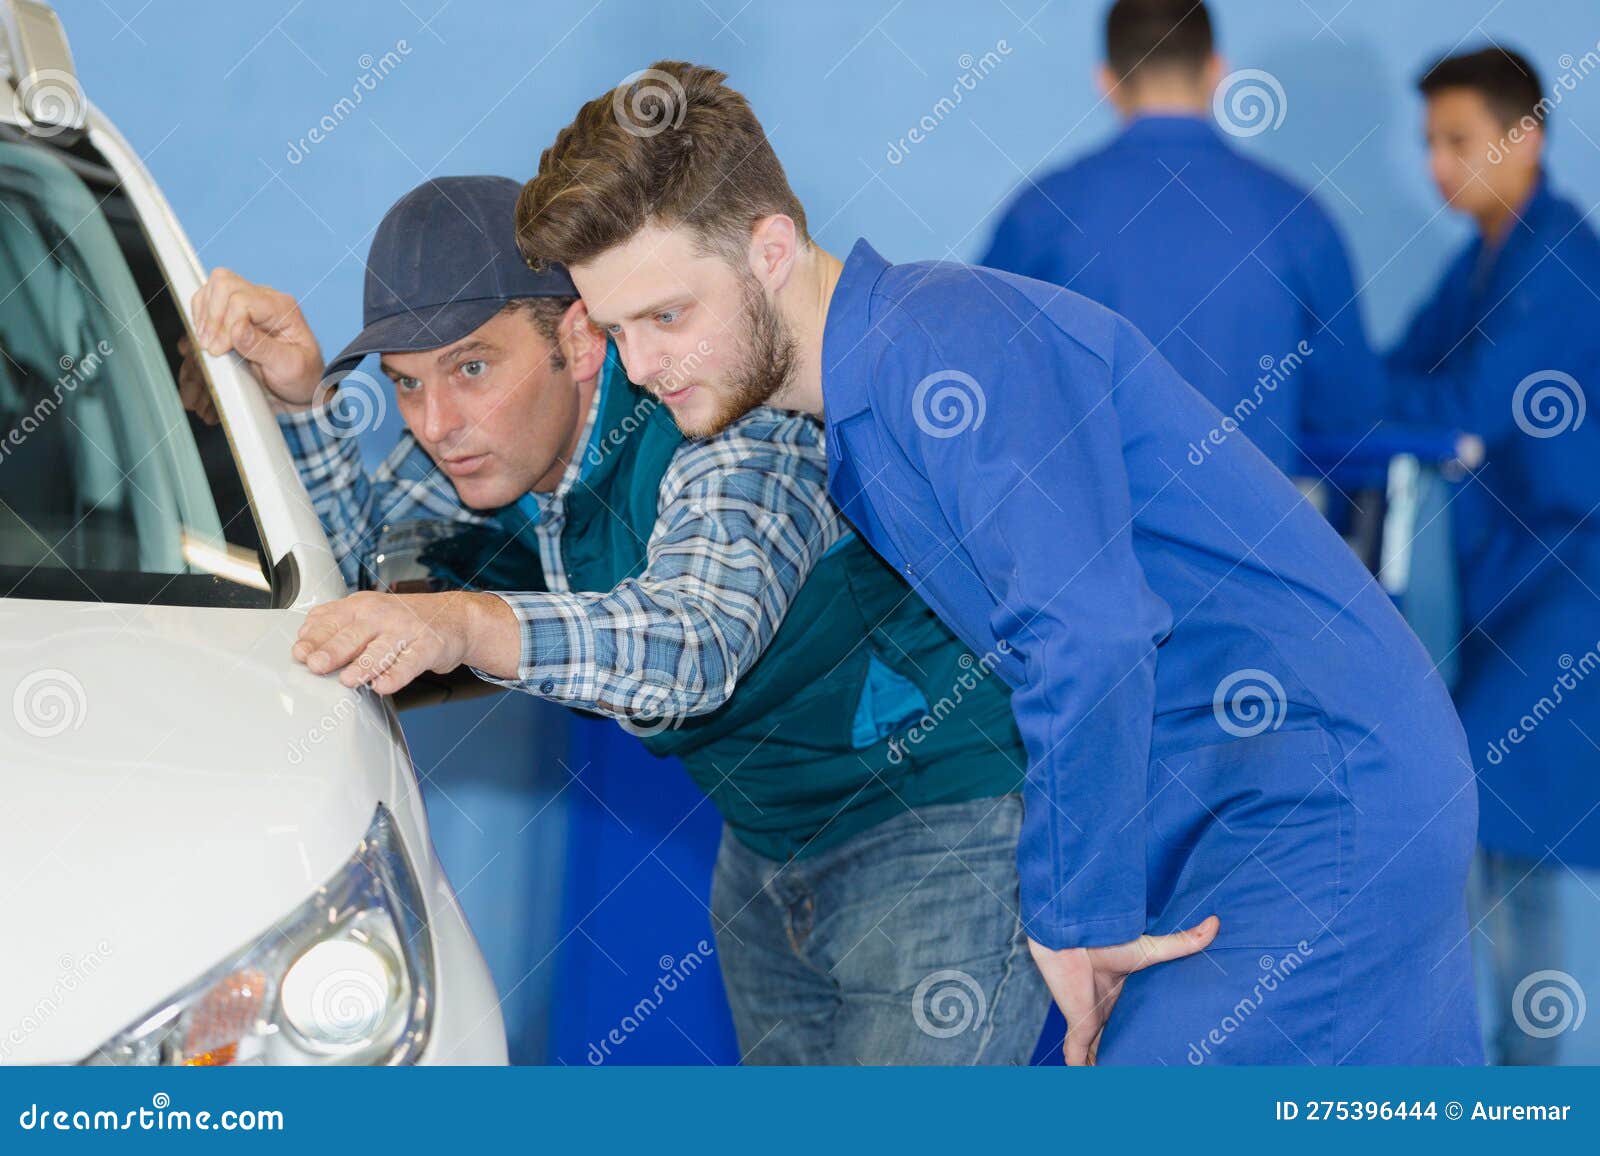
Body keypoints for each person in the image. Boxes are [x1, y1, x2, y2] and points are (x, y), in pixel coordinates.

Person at [516, 62, 1484, 1065]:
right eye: (617, 329)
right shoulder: (867, 400)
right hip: (1236, 792)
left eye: (667, 315)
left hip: (1313, 785)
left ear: (769, 250)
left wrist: (1075, 915)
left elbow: (1088, 627)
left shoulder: (944, 347)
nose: (641, 365)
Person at [181, 176, 1050, 1064]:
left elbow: (697, 642)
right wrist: (295, 405)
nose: (437, 423)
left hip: (941, 826)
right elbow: (355, 586)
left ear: (579, 337)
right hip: (763, 852)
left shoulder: (723, 414)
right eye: (406, 385)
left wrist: (471, 622)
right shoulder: (482, 447)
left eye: (472, 367)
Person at [1387, 46, 1600, 1065]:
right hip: (1512, 591)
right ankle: (1518, 1083)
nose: (1437, 164)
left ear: (1527, 138)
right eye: (1429, 141)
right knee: (1511, 836)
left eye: (1458, 140)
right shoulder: (1482, 257)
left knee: (1490, 802)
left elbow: (1461, 403)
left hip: (1571, 590)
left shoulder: (1554, 263)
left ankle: (1527, 1090)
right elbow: (1396, 374)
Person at [981, 0, 1386, 475]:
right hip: (1250, 542)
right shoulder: (1297, 217)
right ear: (1217, 72)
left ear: (1106, 82)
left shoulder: (1043, 213)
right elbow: (1348, 408)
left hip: (1085, 542)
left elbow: (986, 380)